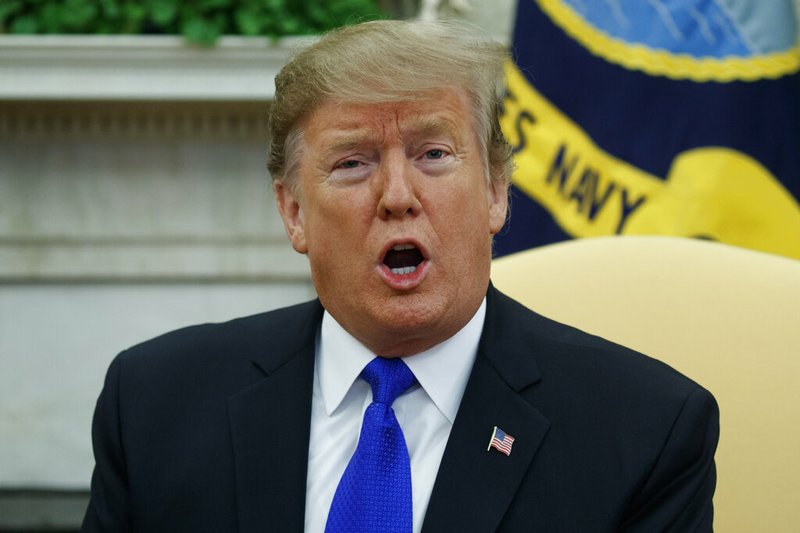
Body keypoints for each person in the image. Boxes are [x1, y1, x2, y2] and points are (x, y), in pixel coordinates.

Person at [82, 19, 719, 532]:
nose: (397, 195)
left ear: (496, 190)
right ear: (294, 211)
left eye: (433, 154)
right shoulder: (153, 405)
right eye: (354, 162)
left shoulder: (644, 430)